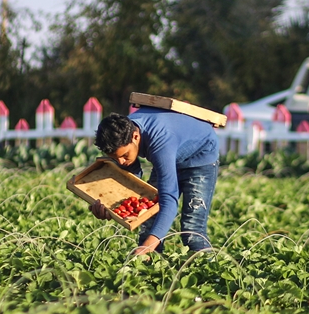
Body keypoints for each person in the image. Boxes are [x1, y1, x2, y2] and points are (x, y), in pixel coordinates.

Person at [90, 108, 219, 256]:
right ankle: (149, 272)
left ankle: (209, 274)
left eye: (125, 155)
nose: (121, 161)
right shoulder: (121, 133)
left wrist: (147, 247)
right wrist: (113, 208)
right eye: (114, 157)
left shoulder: (160, 143)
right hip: (171, 153)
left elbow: (169, 200)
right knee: (149, 224)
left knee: (192, 231)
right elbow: (132, 181)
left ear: (136, 136)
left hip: (200, 157)